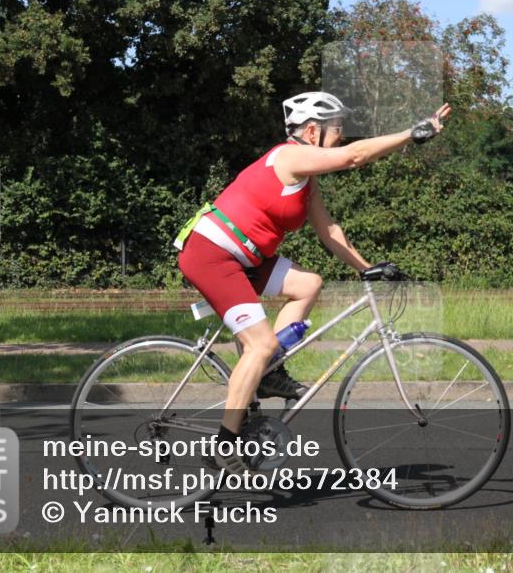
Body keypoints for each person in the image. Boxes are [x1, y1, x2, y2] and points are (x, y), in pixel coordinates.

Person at [176, 91, 451, 472]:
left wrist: (365, 267)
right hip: (213, 253)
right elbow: (354, 157)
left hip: (244, 256)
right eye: (337, 130)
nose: (341, 137)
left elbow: (328, 231)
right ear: (310, 132)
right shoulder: (289, 156)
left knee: (308, 284)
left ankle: (270, 375)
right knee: (259, 344)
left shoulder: (306, 180)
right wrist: (410, 134)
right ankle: (225, 443)